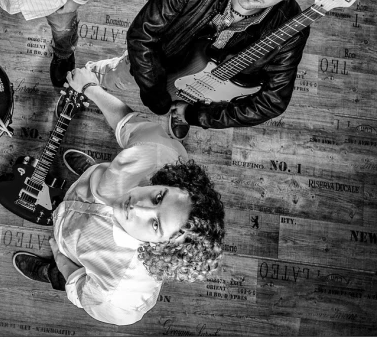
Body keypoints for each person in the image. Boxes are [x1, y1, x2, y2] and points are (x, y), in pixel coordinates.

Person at [12, 68, 225, 326]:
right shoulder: (159, 156)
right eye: (158, 197)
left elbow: (84, 293)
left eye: (155, 224)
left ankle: (50, 273)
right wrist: (90, 87)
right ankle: (93, 176)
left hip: (70, 252)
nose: (137, 207)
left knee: (67, 277)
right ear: (169, 183)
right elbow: (127, 123)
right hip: (87, 190)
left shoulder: (120, 292)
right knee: (103, 179)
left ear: (160, 248)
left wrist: (60, 260)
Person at [86, 0, 326, 139]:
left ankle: (181, 111)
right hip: (159, 62)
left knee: (185, 107)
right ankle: (88, 81)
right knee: (117, 75)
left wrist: (198, 115)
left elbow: (272, 102)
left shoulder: (290, 30)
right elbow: (142, 36)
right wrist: (154, 92)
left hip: (209, 90)